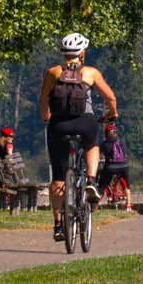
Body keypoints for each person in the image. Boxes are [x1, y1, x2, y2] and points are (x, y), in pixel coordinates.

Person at [39, 32, 117, 241]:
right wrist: (112, 114)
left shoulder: (53, 72)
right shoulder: (90, 72)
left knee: (58, 178)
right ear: (82, 53)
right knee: (92, 145)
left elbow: (43, 99)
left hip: (59, 125)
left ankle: (58, 225)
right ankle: (90, 181)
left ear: (64, 53)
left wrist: (46, 116)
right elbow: (110, 98)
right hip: (85, 122)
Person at [95, 115, 132, 210]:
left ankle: (94, 206)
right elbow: (125, 153)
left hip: (110, 167)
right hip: (123, 166)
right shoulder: (122, 141)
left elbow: (98, 154)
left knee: (102, 187)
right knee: (127, 186)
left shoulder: (104, 144)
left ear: (105, 134)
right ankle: (128, 206)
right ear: (116, 133)